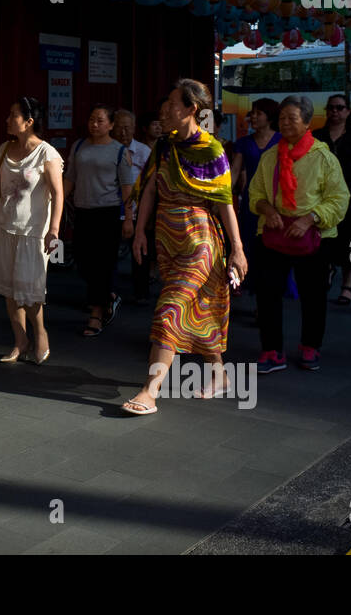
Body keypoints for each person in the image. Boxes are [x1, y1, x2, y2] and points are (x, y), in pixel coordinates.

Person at [121, 80, 247, 415]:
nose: (163, 111)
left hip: (200, 240)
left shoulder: (212, 150)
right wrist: (139, 232)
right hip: (166, 238)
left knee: (169, 311)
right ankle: (220, 373)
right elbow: (148, 190)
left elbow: (225, 204)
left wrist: (237, 248)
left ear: (191, 109)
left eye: (171, 104)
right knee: (199, 306)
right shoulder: (164, 147)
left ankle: (150, 391)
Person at [248, 95, 350, 373]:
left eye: (292, 118)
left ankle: (310, 346)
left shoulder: (323, 157)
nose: (285, 123)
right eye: (282, 118)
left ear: (307, 122)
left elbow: (339, 199)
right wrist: (268, 210)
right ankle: (271, 350)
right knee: (267, 294)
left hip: (313, 236)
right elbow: (255, 193)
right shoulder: (270, 156)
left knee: (313, 295)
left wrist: (309, 219)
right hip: (274, 233)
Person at [0, 96, 64, 365]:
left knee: (29, 290)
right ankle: (20, 341)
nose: (7, 119)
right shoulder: (4, 148)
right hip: (5, 226)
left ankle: (40, 335)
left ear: (28, 122)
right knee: (9, 289)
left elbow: (58, 194)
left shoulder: (47, 153)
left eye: (13, 115)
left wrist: (54, 229)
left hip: (33, 231)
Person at [66, 104, 134, 336]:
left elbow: (127, 188)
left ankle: (96, 314)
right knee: (84, 260)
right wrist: (55, 204)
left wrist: (129, 219)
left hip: (108, 213)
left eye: (100, 121)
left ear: (111, 125)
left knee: (102, 263)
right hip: (83, 211)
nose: (95, 124)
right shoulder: (79, 146)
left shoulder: (119, 151)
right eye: (92, 120)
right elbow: (70, 179)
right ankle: (109, 297)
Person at [313, 94, 351, 305]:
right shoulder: (317, 136)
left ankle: (348, 283)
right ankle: (328, 268)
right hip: (321, 199)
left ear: (348, 111)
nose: (335, 112)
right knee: (325, 237)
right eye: (331, 108)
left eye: (340, 108)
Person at [228, 98, 281, 294]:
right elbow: (234, 172)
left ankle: (265, 291)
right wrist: (222, 196)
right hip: (251, 201)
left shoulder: (282, 141)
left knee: (270, 247)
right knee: (245, 241)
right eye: (252, 113)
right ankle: (238, 280)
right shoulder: (243, 143)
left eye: (259, 113)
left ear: (270, 116)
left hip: (276, 202)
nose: (253, 117)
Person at [113, 108, 154, 304]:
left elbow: (151, 183)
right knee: (108, 254)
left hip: (138, 210)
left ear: (134, 129)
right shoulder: (109, 149)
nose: (123, 133)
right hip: (112, 207)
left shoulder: (145, 152)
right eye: (119, 128)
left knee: (141, 253)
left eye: (127, 128)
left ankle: (141, 292)